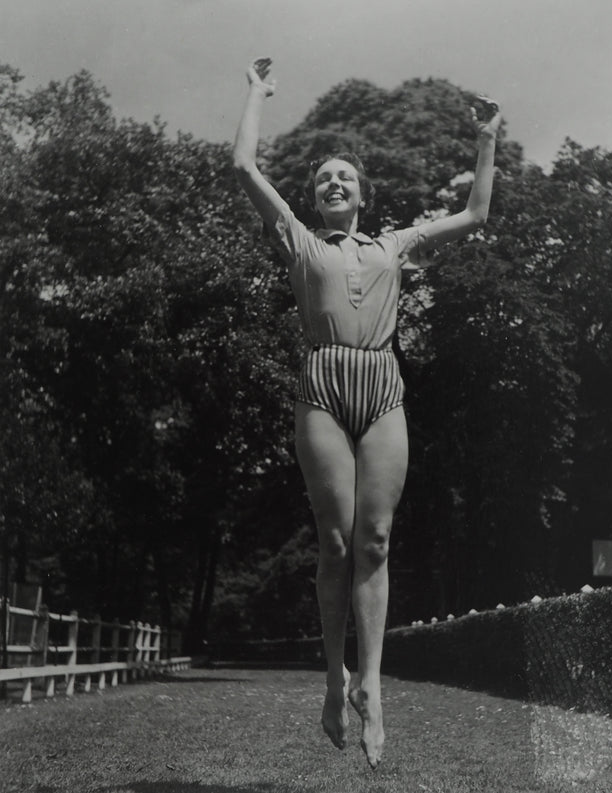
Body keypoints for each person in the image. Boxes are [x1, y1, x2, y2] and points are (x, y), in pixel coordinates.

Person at [233, 57, 500, 769]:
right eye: (323, 177)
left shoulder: (396, 244)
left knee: (376, 539)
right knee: (337, 543)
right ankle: (332, 681)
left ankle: (371, 686)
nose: (333, 181)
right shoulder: (299, 239)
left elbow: (475, 213)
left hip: (383, 388)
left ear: (362, 192)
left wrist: (486, 140)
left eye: (344, 175)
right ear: (315, 198)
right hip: (323, 384)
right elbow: (242, 167)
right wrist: (258, 94)